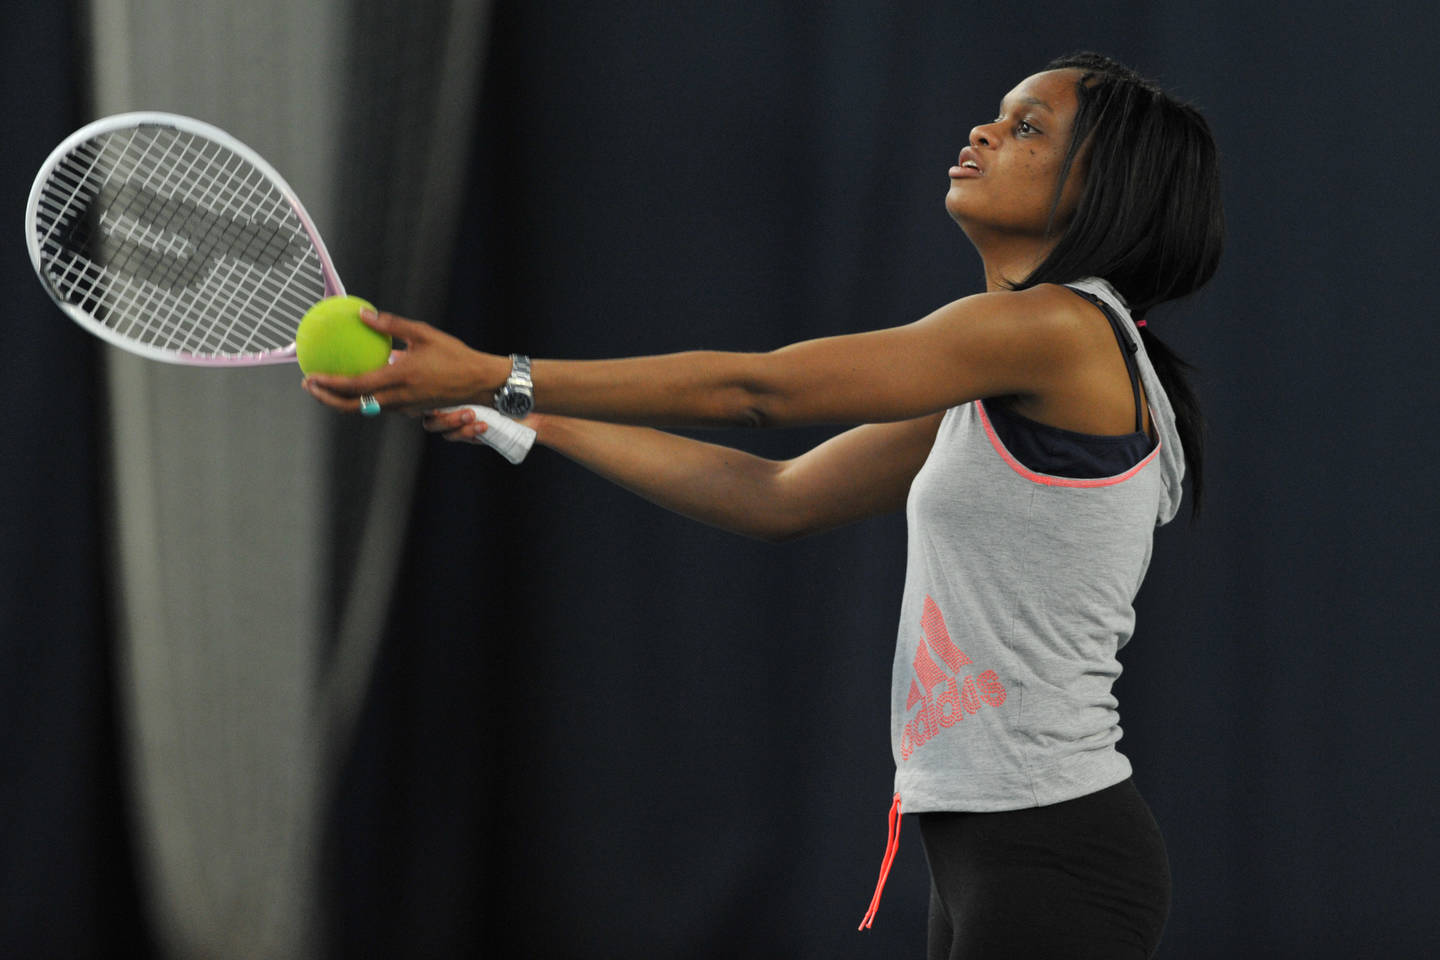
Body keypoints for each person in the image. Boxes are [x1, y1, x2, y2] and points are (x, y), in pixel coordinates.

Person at [304, 51, 1223, 960]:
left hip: (1054, 856)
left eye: (1028, 128)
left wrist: (489, 368)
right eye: (998, 112)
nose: (983, 130)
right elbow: (773, 495)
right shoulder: (1003, 381)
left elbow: (763, 393)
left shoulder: (1058, 330)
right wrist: (523, 414)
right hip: (993, 856)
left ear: (1106, 188)